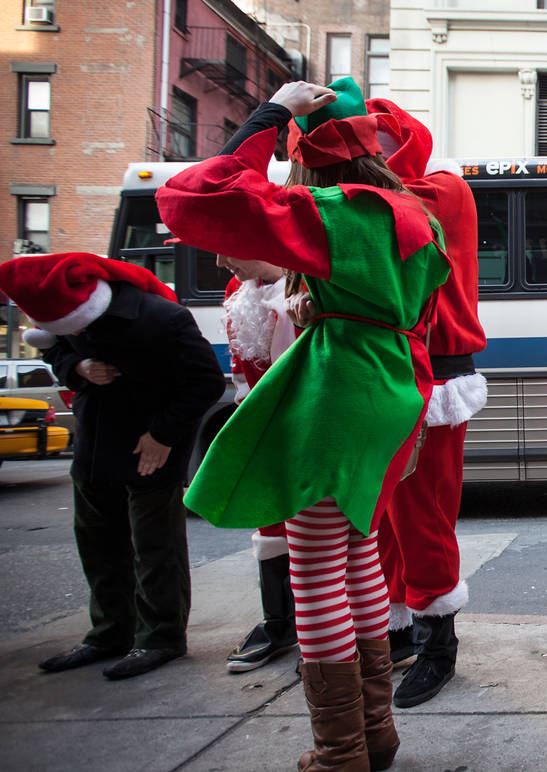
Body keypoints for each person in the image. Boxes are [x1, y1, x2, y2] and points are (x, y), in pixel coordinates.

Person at [156, 79, 451, 771]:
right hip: (393, 391)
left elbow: (201, 190)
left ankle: (340, 750)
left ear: (310, 161)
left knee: (316, 571)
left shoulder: (332, 211)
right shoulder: (414, 214)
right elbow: (417, 316)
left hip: (340, 392)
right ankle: (374, 735)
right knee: (360, 563)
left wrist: (274, 111)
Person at [0, 253, 223, 680]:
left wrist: (162, 435)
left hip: (148, 444)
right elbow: (58, 353)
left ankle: (161, 636)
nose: (78, 333)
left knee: (154, 546)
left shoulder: (161, 318)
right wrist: (78, 368)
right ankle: (109, 632)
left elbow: (205, 382)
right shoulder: (68, 319)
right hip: (94, 442)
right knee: (98, 543)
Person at [365, 94, 488, 709]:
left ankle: (439, 644)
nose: (365, 161)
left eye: (374, 149)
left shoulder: (443, 190)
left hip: (435, 379)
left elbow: (384, 211)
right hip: (388, 373)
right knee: (385, 516)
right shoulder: (376, 195)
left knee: (422, 516)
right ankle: (399, 632)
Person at [218, 257, 301, 673]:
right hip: (263, 423)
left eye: (228, 248)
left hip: (310, 424)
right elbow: (241, 365)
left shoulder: (309, 284)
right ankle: (279, 621)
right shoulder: (238, 293)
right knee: (270, 523)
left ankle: (327, 631)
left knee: (325, 529)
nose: (220, 261)